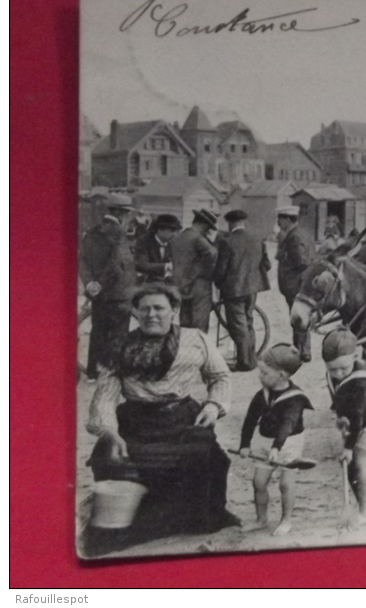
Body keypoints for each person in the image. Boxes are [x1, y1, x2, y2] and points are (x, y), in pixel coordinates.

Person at [83, 283, 238, 556]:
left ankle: (193, 518)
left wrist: (213, 407)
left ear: (174, 311)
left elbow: (220, 376)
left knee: (205, 453)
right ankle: (141, 519)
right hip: (136, 420)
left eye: (159, 308)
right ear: (134, 312)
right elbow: (105, 397)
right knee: (107, 457)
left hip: (183, 417)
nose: (151, 314)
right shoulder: (118, 347)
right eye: (144, 309)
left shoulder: (195, 339)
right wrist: (109, 431)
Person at [238, 343, 313, 536]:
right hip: (265, 441)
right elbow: (250, 419)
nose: (260, 376)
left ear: (281, 375)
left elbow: (287, 425)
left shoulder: (295, 399)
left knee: (286, 483)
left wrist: (277, 448)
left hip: (289, 443)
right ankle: (261, 519)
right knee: (259, 482)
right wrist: (245, 444)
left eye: (264, 373)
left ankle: (286, 520)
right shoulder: (261, 394)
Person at [323, 328, 366, 526]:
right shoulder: (335, 373)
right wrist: (341, 417)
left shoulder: (361, 381)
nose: (337, 373)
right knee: (350, 465)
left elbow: (358, 416)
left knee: (357, 463)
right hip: (358, 419)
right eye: (332, 369)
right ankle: (360, 503)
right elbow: (341, 399)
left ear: (354, 356)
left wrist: (347, 447)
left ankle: (364, 511)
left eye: (343, 368)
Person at [79, 193, 138, 380]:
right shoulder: (119, 232)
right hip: (118, 294)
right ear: (122, 213)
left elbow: (82, 260)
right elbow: (116, 266)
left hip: (98, 295)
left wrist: (91, 284)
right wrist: (101, 284)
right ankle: (114, 374)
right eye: (127, 214)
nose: (128, 217)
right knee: (118, 335)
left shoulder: (92, 231)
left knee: (98, 332)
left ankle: (92, 372)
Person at [213, 209, 272, 371]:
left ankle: (245, 362)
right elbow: (267, 265)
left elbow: (221, 270)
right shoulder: (257, 239)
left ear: (231, 223)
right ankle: (251, 358)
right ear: (243, 222)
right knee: (248, 321)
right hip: (252, 288)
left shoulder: (227, 242)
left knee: (238, 326)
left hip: (233, 290)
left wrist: (217, 282)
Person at [276, 206, 317, 361]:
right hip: (298, 285)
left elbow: (302, 262)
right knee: (299, 318)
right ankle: (300, 349)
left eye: (280, 220)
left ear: (287, 220)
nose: (278, 223)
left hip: (296, 285)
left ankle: (302, 351)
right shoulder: (301, 233)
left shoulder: (294, 237)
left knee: (299, 318)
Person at [171, 209, 219, 332]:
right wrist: (206, 271)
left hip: (181, 285)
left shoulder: (178, 237)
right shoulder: (198, 238)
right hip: (199, 285)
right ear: (203, 224)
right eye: (207, 227)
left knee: (185, 321)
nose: (207, 231)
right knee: (200, 323)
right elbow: (212, 253)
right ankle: (199, 349)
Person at [134, 214, 180, 284]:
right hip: (146, 283)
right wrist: (166, 266)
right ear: (160, 230)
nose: (175, 234)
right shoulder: (143, 241)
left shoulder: (173, 243)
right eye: (172, 231)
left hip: (167, 284)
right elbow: (142, 265)